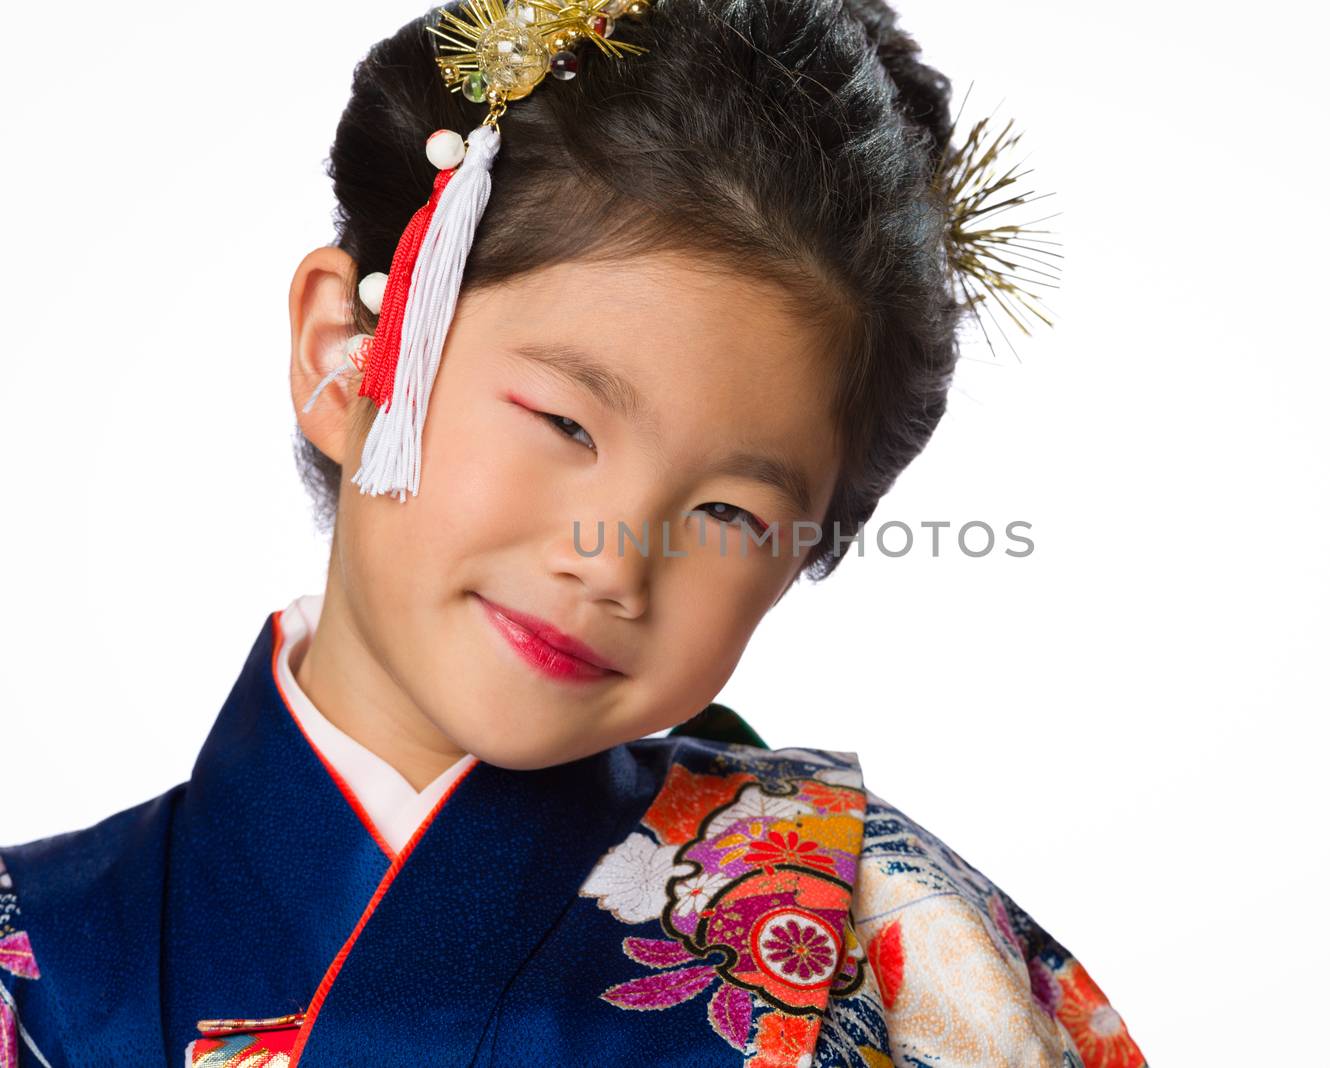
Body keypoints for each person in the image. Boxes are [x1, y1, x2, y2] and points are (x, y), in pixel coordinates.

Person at [0, 0, 1146, 1065]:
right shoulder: (41, 965)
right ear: (343, 359)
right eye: (562, 420)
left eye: (729, 514)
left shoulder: (903, 945)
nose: (611, 563)